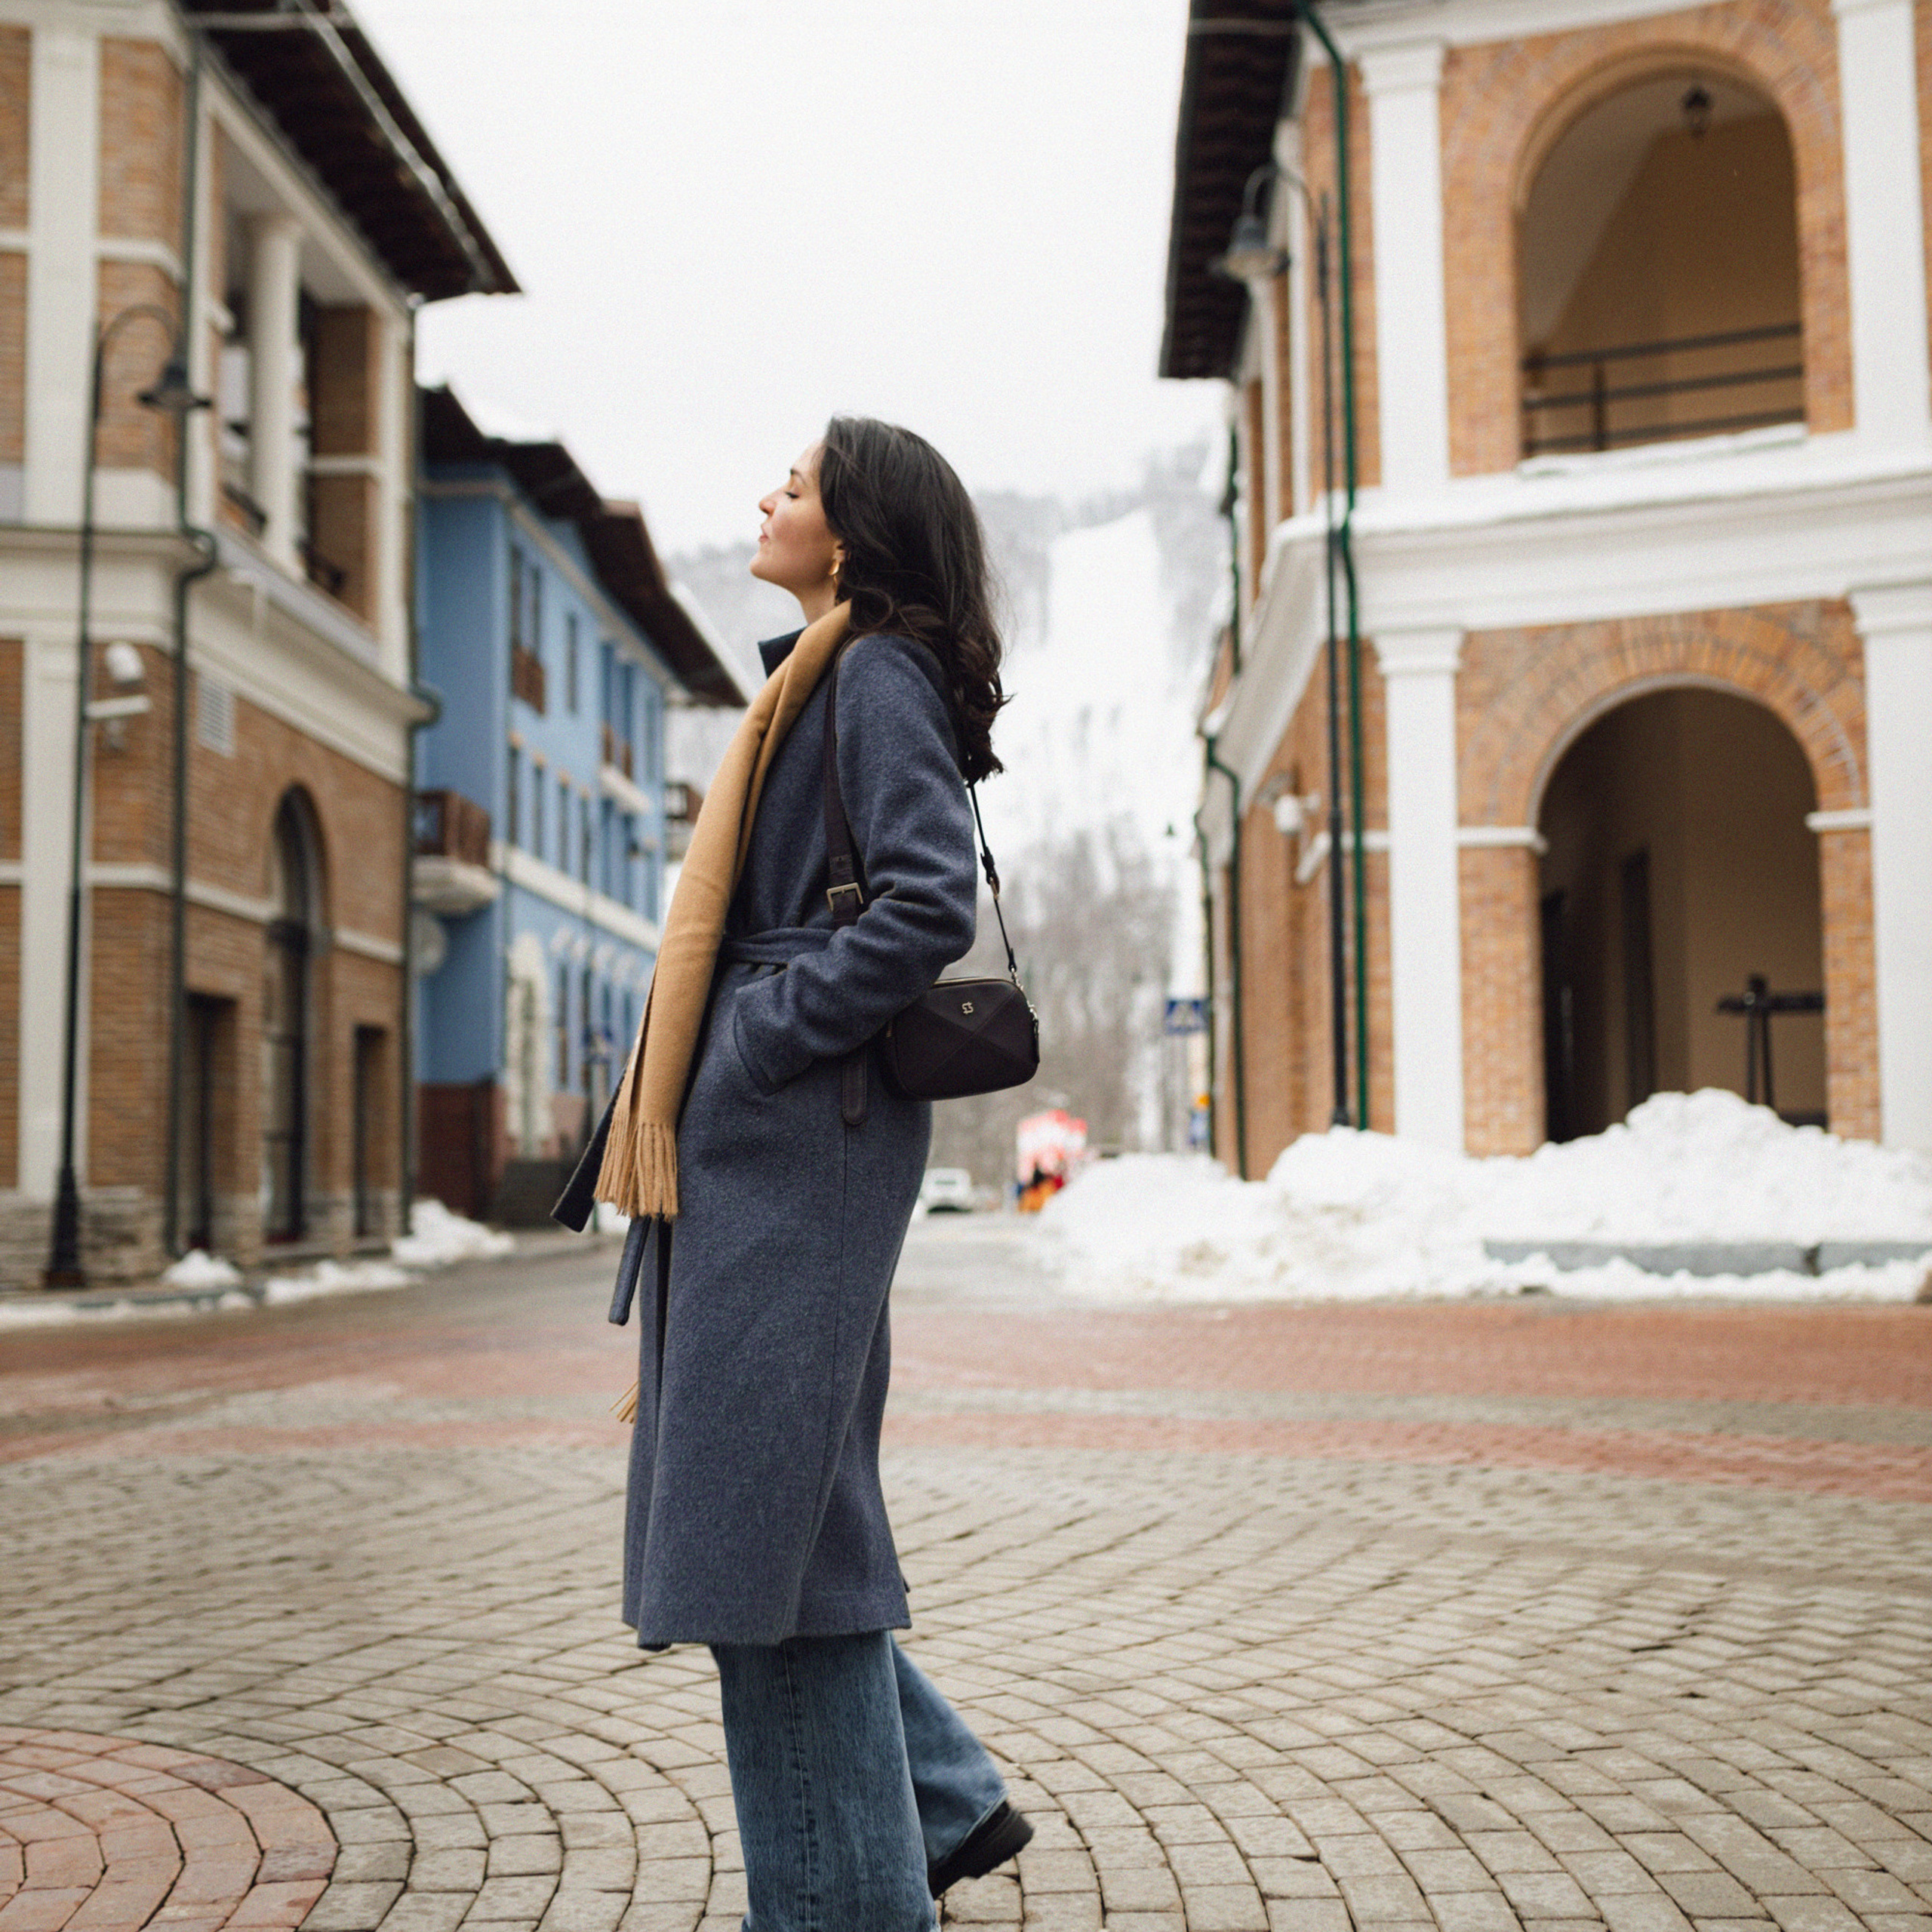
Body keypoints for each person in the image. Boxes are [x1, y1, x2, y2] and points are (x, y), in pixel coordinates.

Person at [554, 417, 1030, 1930]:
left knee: (772, 1550)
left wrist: (759, 1033)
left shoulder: (869, 673)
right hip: (771, 1155)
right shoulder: (826, 669)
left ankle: (845, 1902)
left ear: (856, 528)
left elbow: (919, 901)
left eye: (798, 482)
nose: (768, 496)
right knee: (772, 1520)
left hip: (794, 1142)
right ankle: (939, 1805)